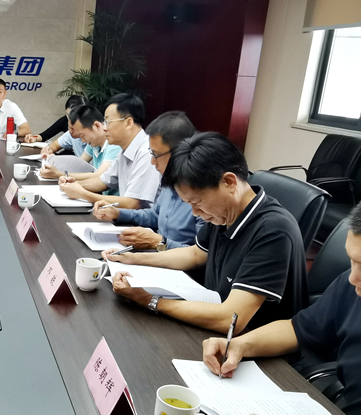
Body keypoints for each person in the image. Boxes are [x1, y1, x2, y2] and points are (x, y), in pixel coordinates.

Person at [203, 188, 361, 415]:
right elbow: (298, 328)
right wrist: (240, 344)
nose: (354, 279)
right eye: (352, 261)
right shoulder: (356, 288)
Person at [107, 132, 307, 333]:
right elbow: (195, 254)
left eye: (197, 202)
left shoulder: (273, 230)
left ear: (229, 182)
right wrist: (132, 259)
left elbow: (231, 319)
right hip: (213, 322)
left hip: (251, 342)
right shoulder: (224, 212)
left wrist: (150, 300)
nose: (195, 212)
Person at [93, 111, 203, 250]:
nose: (152, 162)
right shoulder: (169, 182)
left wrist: (158, 242)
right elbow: (154, 215)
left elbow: (201, 255)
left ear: (179, 151)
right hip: (158, 255)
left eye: (156, 155)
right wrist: (118, 213)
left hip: (176, 262)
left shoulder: (203, 194)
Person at [59, 94, 159, 210]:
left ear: (128, 123)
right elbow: (102, 182)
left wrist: (83, 194)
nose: (105, 128)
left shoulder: (147, 152)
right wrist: (72, 185)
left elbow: (133, 203)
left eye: (108, 122)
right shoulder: (124, 151)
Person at [38, 105, 120, 182]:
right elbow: (78, 166)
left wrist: (59, 174)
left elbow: (99, 176)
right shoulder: (94, 144)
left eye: (82, 135)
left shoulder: (114, 144)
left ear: (97, 126)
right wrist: (52, 159)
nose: (83, 141)